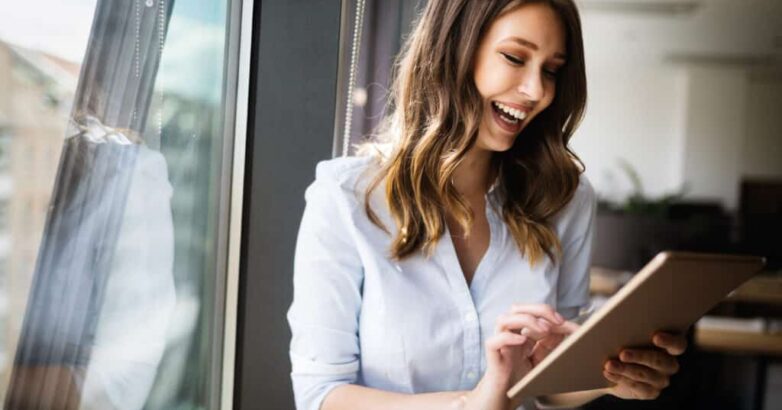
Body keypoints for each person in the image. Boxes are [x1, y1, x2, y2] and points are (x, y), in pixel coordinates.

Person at [287, 1, 688, 409]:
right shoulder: (347, 197)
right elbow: (322, 394)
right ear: (454, 50)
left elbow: (546, 381)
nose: (537, 91)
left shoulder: (565, 200)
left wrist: (608, 378)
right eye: (515, 58)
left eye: (551, 70)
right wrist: (472, 403)